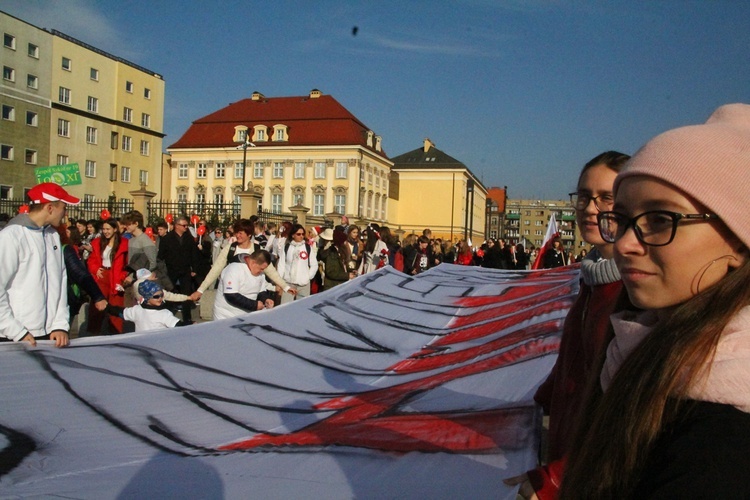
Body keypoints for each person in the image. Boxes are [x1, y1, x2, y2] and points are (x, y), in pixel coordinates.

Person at [559, 104, 750, 497]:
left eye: (661, 220)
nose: (627, 244)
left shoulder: (719, 438)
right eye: (624, 219)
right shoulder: (637, 337)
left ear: (738, 241)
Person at [506, 151, 630, 498]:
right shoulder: (591, 277)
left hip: (594, 475)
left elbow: (629, 416)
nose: (591, 208)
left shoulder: (635, 294)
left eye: (606, 197)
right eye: (584, 196)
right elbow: (576, 364)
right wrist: (540, 398)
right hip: (568, 453)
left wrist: (558, 478)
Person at [0, 183, 79, 347]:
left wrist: (59, 324)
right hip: (16, 336)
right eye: (64, 207)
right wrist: (16, 331)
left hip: (49, 334)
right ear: (50, 208)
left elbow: (60, 281)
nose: (66, 214)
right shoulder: (11, 236)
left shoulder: (52, 236)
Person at [190, 218, 294, 302]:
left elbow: (271, 271)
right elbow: (215, 270)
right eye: (236, 232)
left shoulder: (257, 249)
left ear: (249, 234)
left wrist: (285, 287)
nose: (237, 235)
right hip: (230, 295)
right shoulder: (230, 248)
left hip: (250, 296)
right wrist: (200, 290)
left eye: (241, 233)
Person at [87, 218, 129, 334]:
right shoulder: (97, 242)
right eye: (104, 229)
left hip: (116, 276)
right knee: (98, 305)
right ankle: (93, 333)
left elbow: (127, 263)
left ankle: (116, 333)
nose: (105, 232)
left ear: (115, 229)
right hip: (102, 275)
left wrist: (124, 275)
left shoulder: (124, 243)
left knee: (116, 306)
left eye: (108, 229)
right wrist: (95, 269)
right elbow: (92, 260)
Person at [157, 215, 200, 323]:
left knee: (186, 294)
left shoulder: (189, 238)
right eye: (184, 225)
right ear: (176, 226)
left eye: (187, 225)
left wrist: (194, 268)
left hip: (185, 270)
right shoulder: (167, 238)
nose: (186, 227)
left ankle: (187, 318)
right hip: (171, 270)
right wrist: (163, 270)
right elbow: (161, 256)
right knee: (170, 292)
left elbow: (194, 254)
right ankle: (167, 316)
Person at [213, 249, 276, 320]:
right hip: (226, 315)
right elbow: (231, 295)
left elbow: (261, 291)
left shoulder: (260, 274)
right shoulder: (234, 269)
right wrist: (254, 305)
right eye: (261, 268)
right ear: (253, 263)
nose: (262, 271)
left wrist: (266, 299)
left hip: (246, 316)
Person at [107, 280, 189, 332]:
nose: (160, 298)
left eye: (161, 295)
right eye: (156, 296)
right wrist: (107, 307)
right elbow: (120, 312)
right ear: (147, 298)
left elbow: (179, 326)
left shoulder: (137, 310)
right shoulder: (163, 314)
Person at [277, 224, 318, 303]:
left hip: (303, 284)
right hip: (288, 283)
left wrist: (308, 276)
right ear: (293, 235)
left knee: (302, 308)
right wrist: (280, 282)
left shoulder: (307, 247)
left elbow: (314, 265)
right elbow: (281, 265)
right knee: (285, 308)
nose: (301, 236)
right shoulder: (286, 247)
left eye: (303, 234)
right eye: (298, 234)